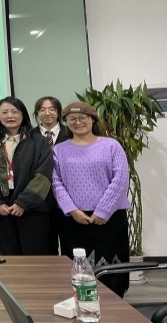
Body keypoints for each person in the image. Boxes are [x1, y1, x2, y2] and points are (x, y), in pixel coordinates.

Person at [52, 101, 130, 297]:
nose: (77, 122)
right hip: (75, 219)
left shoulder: (111, 145)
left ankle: (115, 303)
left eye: (82, 118)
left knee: (112, 267)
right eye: (72, 119)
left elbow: (120, 179)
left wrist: (103, 211)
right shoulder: (59, 150)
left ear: (92, 119)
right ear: (66, 122)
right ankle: (83, 303)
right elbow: (56, 183)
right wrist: (72, 210)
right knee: (79, 268)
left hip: (110, 217)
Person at [0, 96, 53, 255]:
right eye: (4, 112)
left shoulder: (38, 141)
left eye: (14, 111)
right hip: (1, 209)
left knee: (34, 255)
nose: (10, 116)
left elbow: (44, 175)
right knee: (9, 255)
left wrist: (23, 202)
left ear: (23, 114)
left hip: (32, 209)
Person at [31, 96, 72, 257]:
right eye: (42, 110)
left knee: (70, 243)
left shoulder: (71, 133)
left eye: (52, 109)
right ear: (37, 113)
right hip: (40, 199)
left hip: (68, 197)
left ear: (59, 112)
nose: (47, 113)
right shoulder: (29, 136)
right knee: (45, 246)